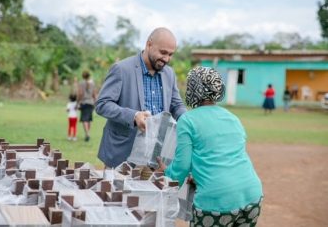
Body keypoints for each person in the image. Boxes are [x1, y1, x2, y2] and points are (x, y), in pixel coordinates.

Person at [157, 66, 263, 227]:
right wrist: (198, 174)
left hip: (216, 202)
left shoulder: (188, 120)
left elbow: (182, 166)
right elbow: (224, 156)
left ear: (193, 88)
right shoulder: (232, 117)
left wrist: (166, 172)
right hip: (252, 195)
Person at [95, 27, 187, 168]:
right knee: (117, 191)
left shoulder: (169, 74)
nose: (166, 59)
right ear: (149, 44)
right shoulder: (121, 69)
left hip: (156, 159)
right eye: (163, 53)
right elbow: (102, 104)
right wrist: (134, 116)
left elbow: (176, 105)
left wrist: (188, 120)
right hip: (122, 155)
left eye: (170, 54)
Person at [77, 70, 96, 142]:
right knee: (89, 119)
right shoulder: (92, 83)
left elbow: (80, 93)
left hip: (84, 102)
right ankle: (88, 133)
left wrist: (78, 102)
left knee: (84, 119)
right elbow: (94, 94)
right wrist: (95, 102)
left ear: (83, 76)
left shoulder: (81, 83)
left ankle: (87, 133)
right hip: (91, 102)